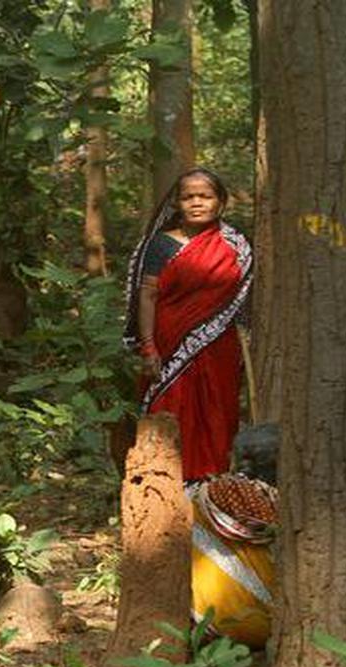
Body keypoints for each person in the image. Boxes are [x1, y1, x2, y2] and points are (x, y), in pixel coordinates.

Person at [122, 167, 253, 480]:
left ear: (220, 202)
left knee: (216, 413)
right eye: (188, 197)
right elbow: (148, 295)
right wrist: (149, 347)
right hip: (167, 345)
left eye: (205, 196)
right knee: (168, 414)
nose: (197, 202)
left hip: (219, 347)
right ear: (176, 203)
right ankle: (163, 487)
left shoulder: (236, 246)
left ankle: (211, 487)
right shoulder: (159, 245)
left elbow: (245, 300)